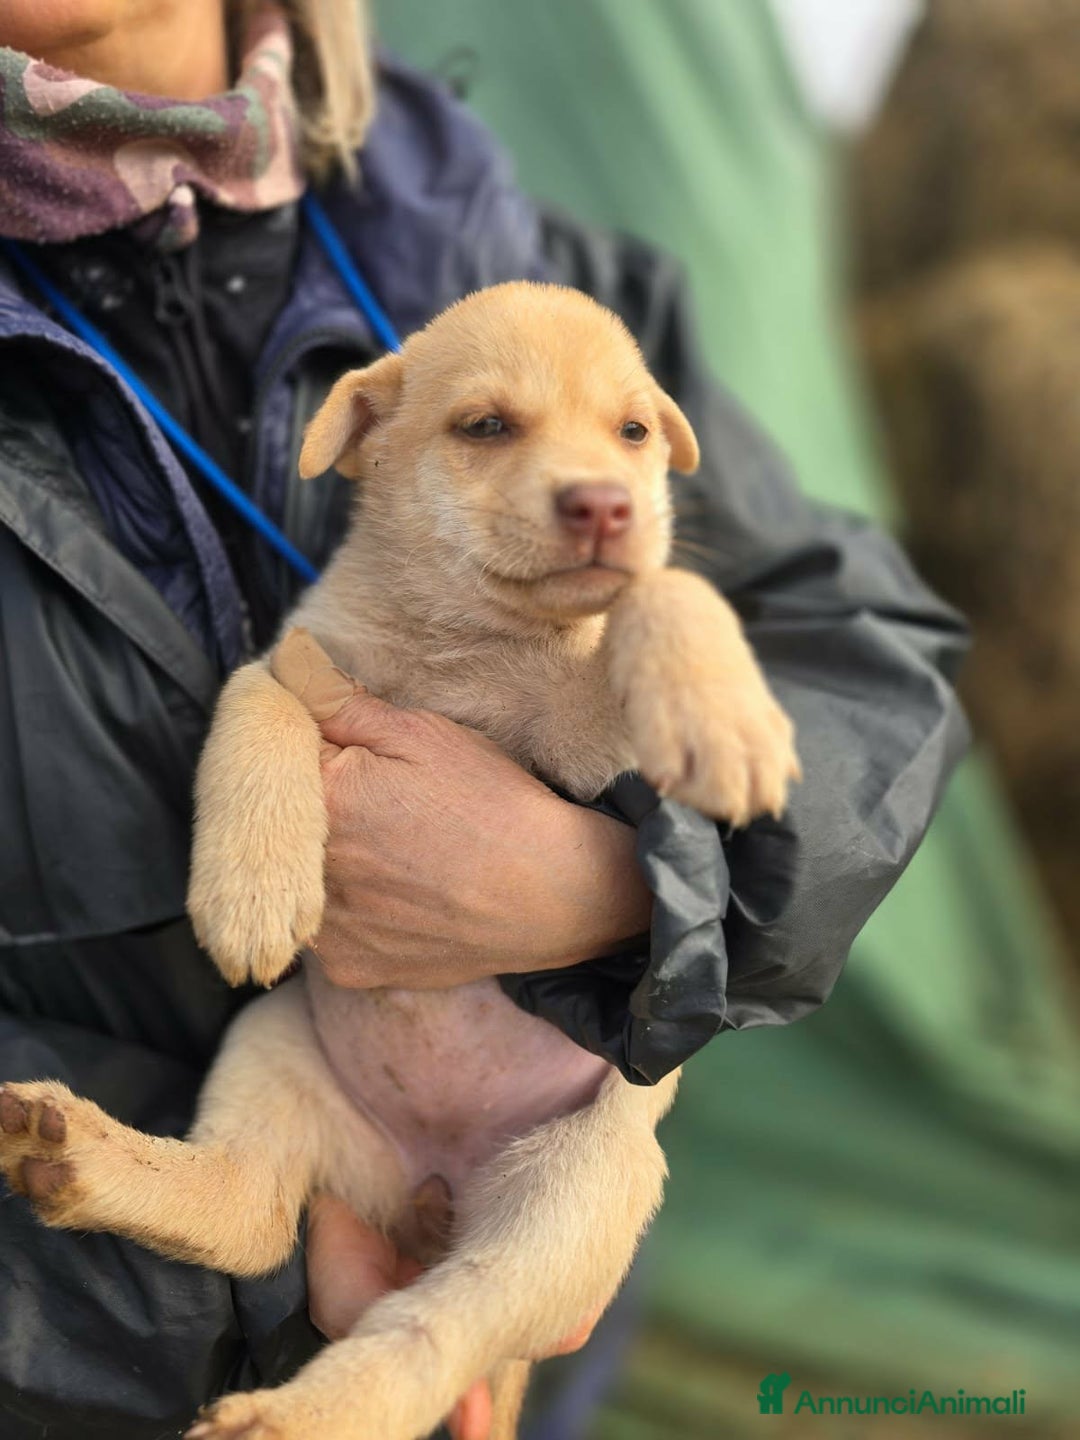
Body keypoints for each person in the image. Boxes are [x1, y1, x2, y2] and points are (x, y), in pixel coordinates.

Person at [0, 1, 968, 1437]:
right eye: (491, 427)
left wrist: (612, 891)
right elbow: (286, 698)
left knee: (593, 1179)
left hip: (537, 1230)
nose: (593, 480)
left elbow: (860, 649)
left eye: (631, 436)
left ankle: (381, 1382)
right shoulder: (392, 511)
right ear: (368, 434)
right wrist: (259, 1296)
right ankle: (222, 1203)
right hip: (131, 1327)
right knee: (276, 1069)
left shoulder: (506, 238)